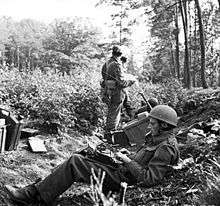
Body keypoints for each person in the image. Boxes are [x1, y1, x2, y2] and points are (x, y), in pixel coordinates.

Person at [5, 105, 179, 206]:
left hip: (123, 180)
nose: (149, 127)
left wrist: (127, 161)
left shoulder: (166, 147)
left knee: (75, 162)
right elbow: (143, 158)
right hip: (123, 170)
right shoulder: (157, 137)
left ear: (164, 126)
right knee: (85, 153)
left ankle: (35, 197)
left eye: (153, 123)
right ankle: (39, 188)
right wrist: (129, 155)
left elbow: (149, 179)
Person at [100, 46, 135, 135]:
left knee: (114, 111)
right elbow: (121, 82)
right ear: (120, 55)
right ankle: (111, 134)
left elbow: (104, 79)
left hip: (109, 91)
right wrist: (131, 81)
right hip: (117, 91)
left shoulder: (106, 63)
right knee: (114, 112)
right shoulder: (116, 64)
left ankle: (112, 131)